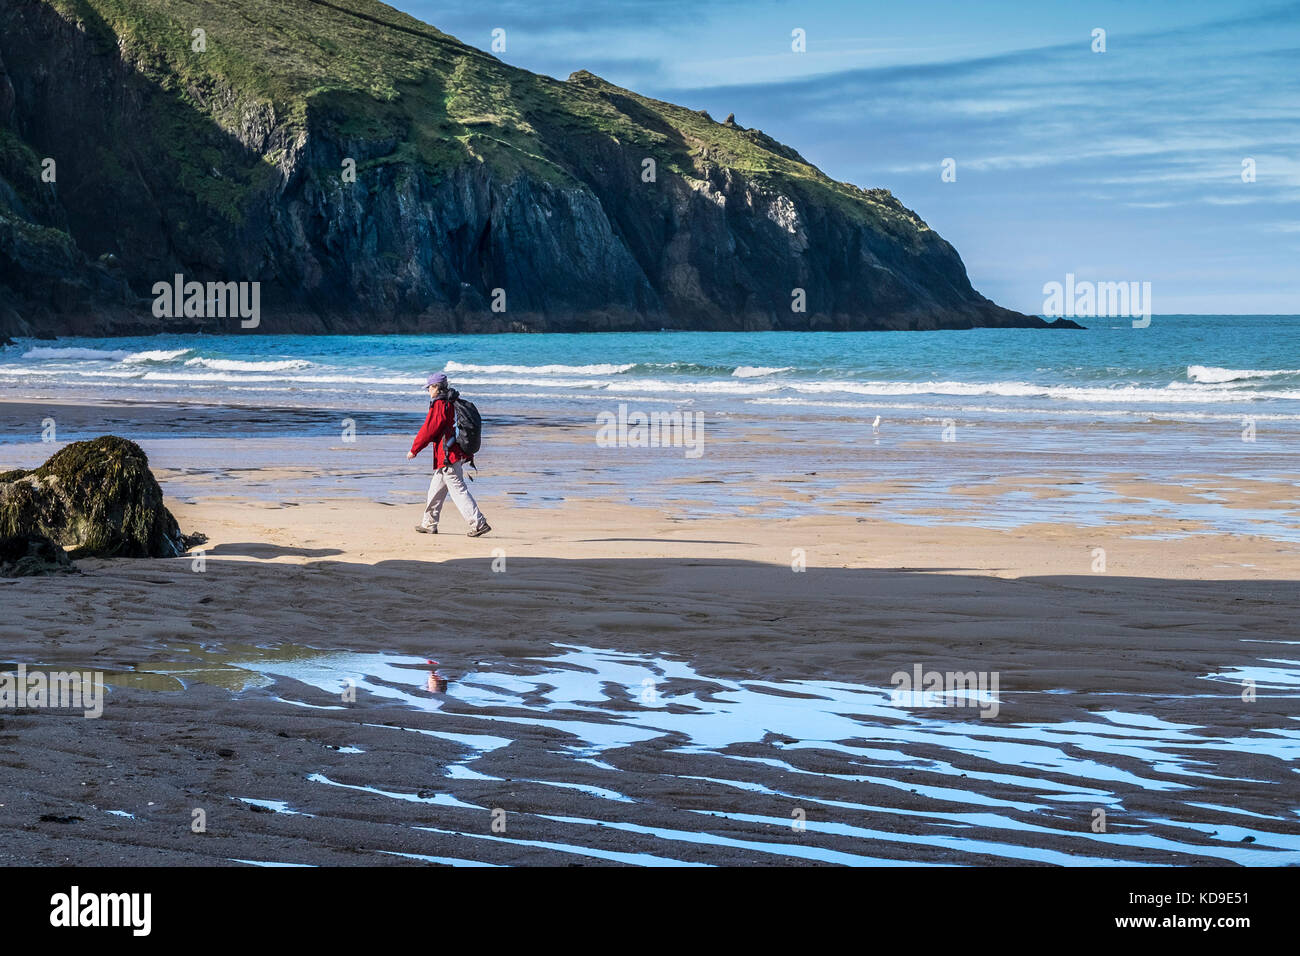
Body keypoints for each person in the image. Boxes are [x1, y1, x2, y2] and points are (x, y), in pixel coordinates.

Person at [407, 373, 491, 537]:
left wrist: (414, 449)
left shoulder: (440, 404)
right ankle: (429, 523)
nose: (428, 391)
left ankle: (479, 523)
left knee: (459, 491)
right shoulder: (451, 402)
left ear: (436, 388)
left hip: (448, 456)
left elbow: (429, 429)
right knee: (435, 491)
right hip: (450, 454)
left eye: (429, 387)